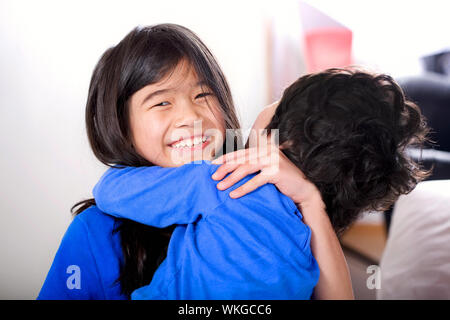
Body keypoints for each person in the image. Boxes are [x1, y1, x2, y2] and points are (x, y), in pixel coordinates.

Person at [37, 24, 352, 299]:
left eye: (203, 95)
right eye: (162, 102)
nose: (190, 116)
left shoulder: (267, 194)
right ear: (122, 127)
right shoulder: (97, 231)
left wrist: (310, 199)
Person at [92, 68, 430, 299]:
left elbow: (108, 191)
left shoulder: (224, 181)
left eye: (279, 101)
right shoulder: (305, 225)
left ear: (280, 141)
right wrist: (311, 200)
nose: (192, 118)